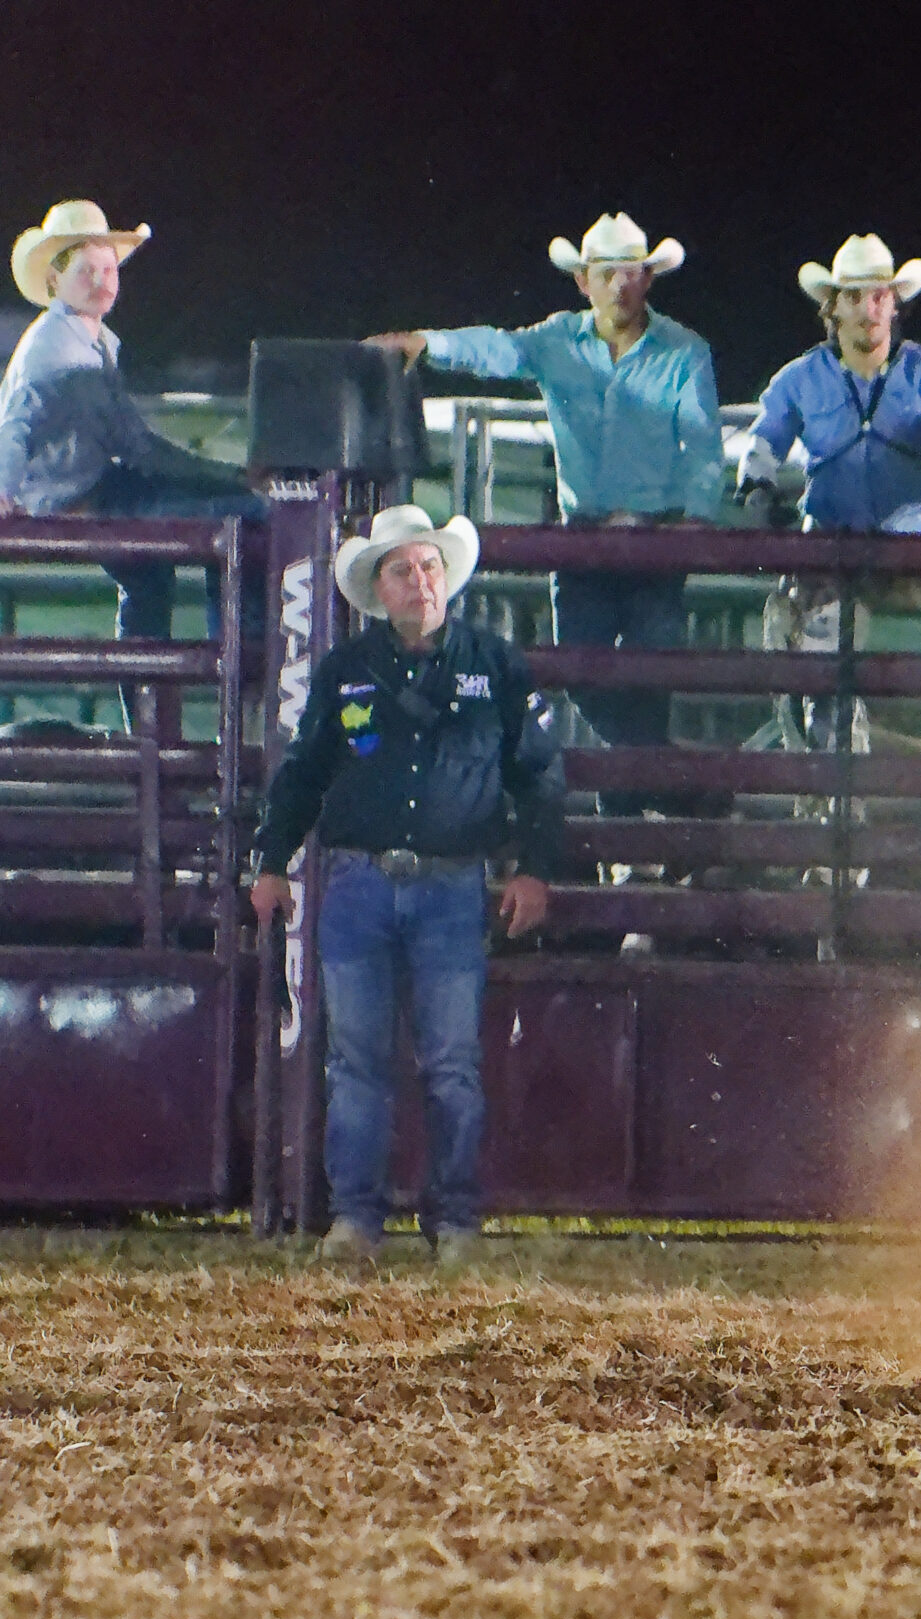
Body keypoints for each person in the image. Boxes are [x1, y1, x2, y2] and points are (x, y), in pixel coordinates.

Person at [248, 507, 565, 1266]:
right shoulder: (344, 672)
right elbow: (303, 773)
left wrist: (534, 867)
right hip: (362, 883)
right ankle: (364, 1217)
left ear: (444, 577)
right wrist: (270, 858)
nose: (420, 580)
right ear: (380, 590)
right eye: (403, 570)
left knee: (444, 1060)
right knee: (363, 1059)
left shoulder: (496, 665)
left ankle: (444, 1217)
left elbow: (540, 777)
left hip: (447, 885)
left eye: (427, 566)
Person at [368, 214, 724, 792]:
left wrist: (696, 517)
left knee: (637, 679)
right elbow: (496, 348)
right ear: (585, 282)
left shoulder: (682, 351)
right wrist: (428, 342)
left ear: (647, 279)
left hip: (652, 539)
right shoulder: (563, 341)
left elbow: (703, 444)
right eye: (608, 274)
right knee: (587, 675)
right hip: (588, 535)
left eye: (630, 272)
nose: (620, 286)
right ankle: (683, 797)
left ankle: (638, 826)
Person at [738, 234, 921, 752]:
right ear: (833, 308)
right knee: (802, 632)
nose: (868, 309)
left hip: (910, 543)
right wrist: (758, 490)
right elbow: (764, 441)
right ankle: (827, 746)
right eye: (854, 297)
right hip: (831, 544)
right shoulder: (800, 379)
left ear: (894, 303)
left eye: (878, 295)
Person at [0, 200, 266, 660]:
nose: (102, 282)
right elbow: (17, 423)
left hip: (95, 484)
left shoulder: (86, 339)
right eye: (88, 271)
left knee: (148, 579)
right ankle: (239, 665)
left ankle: (167, 698)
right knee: (244, 514)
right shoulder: (57, 352)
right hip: (82, 497)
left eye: (109, 269)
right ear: (55, 280)